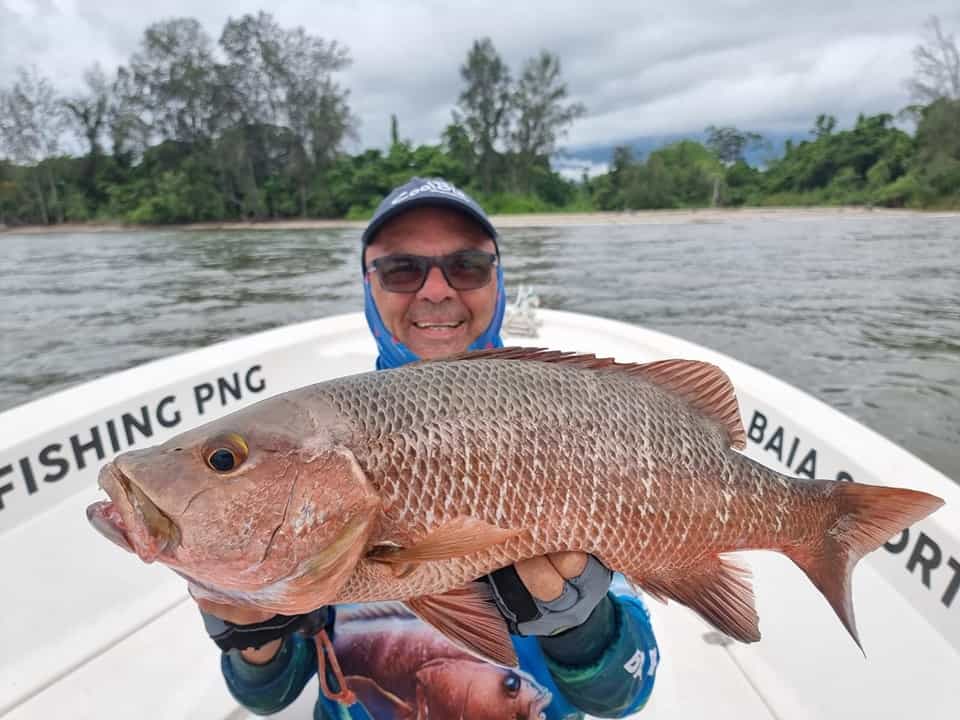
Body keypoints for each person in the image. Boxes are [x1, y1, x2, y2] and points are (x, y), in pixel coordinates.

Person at [196, 177, 660, 719]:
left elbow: (625, 695)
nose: (436, 290)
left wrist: (582, 628)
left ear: (498, 280)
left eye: (467, 266)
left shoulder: (572, 425)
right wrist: (255, 640)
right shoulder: (313, 449)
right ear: (368, 285)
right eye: (401, 269)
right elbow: (268, 696)